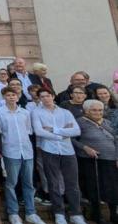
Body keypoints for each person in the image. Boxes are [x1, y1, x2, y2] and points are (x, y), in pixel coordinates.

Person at [30, 88, 85, 224]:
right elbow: (39, 131)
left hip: (68, 151)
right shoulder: (36, 112)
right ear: (39, 99)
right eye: (42, 97)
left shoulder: (65, 112)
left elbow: (76, 130)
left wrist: (54, 130)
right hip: (49, 150)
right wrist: (64, 133)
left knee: (72, 183)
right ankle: (59, 213)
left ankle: (76, 213)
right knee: (53, 183)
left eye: (48, 96)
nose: (45, 98)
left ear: (53, 96)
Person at [0, 87, 45, 224]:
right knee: (11, 184)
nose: (11, 97)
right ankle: (13, 212)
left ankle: (31, 212)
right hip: (10, 151)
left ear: (17, 96)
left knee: (28, 183)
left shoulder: (25, 113)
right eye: (8, 95)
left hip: (26, 151)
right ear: (4, 97)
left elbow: (28, 130)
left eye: (13, 95)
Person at [72, 99, 118, 224]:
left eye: (100, 110)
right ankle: (96, 215)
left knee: (112, 187)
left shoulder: (107, 122)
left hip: (110, 159)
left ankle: (113, 214)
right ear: (86, 111)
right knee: (94, 187)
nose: (98, 112)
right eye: (94, 110)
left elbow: (115, 140)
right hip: (91, 160)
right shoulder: (80, 122)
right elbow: (72, 139)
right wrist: (85, 148)